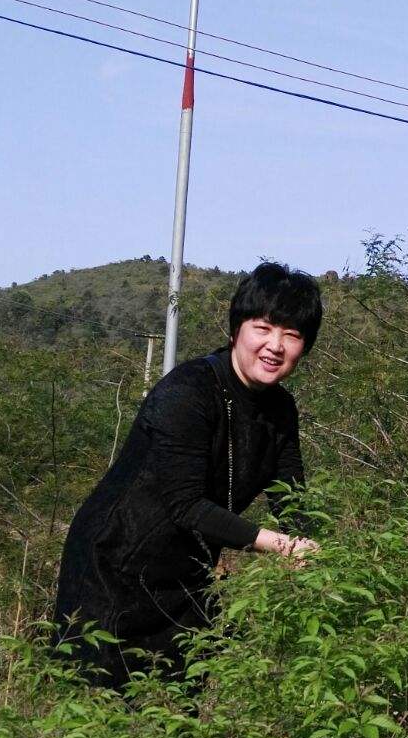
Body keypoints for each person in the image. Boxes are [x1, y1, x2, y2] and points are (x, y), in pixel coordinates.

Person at [53, 261, 322, 689]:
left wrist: (325, 559)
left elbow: (293, 498)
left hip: (186, 577)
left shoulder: (280, 410)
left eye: (292, 335)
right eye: (263, 328)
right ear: (236, 330)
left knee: (178, 710)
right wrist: (283, 546)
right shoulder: (187, 392)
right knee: (100, 710)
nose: (275, 346)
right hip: (112, 569)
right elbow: (185, 504)